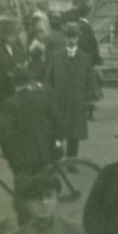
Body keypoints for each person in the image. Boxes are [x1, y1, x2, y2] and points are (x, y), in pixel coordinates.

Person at [0, 64, 63, 188]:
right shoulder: (41, 98)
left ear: (14, 83)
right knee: (41, 184)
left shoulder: (11, 103)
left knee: (24, 188)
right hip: (42, 152)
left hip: (21, 157)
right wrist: (56, 140)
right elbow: (58, 119)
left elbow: (5, 130)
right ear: (29, 81)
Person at [45, 22, 95, 157]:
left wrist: (86, 98)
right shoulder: (56, 55)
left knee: (74, 135)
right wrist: (51, 95)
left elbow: (90, 81)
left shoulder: (85, 58)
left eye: (74, 37)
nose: (71, 40)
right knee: (57, 133)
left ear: (78, 38)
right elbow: (49, 78)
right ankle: (56, 159)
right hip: (59, 102)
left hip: (76, 103)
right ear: (64, 38)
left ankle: (72, 161)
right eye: (68, 37)